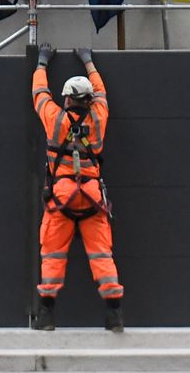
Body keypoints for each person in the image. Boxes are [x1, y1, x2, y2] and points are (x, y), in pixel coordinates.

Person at [30, 43, 123, 332]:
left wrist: (42, 62)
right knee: (101, 255)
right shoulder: (98, 118)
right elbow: (102, 94)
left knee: (53, 255)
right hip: (92, 198)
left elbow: (39, 95)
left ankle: (46, 315)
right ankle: (114, 314)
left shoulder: (55, 120)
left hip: (62, 197)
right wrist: (88, 61)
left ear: (67, 99)